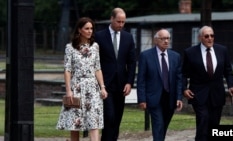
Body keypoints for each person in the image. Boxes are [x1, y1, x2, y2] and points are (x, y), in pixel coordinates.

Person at [56, 17, 108, 141]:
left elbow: (97, 68)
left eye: (91, 29)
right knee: (75, 123)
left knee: (94, 122)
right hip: (77, 87)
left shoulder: (95, 46)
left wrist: (102, 87)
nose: (90, 31)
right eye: (87, 28)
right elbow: (67, 70)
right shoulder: (70, 47)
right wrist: (68, 90)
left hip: (92, 88)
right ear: (79, 30)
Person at [182, 25, 233, 141]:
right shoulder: (190, 52)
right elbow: (183, 74)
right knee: (203, 118)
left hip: (217, 93)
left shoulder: (222, 50)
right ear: (200, 38)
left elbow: (228, 71)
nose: (210, 38)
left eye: (212, 36)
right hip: (198, 94)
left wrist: (231, 85)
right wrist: (184, 88)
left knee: (214, 123)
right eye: (206, 36)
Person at [95, 7, 137, 141]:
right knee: (109, 116)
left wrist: (130, 82)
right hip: (104, 84)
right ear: (111, 19)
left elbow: (131, 62)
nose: (121, 25)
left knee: (117, 117)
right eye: (118, 21)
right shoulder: (99, 36)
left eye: (123, 22)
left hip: (121, 84)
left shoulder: (128, 37)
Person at [137, 29, 183, 141]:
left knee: (164, 126)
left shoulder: (175, 56)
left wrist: (179, 97)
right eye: (163, 38)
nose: (166, 41)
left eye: (168, 38)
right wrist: (142, 99)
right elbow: (141, 79)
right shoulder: (146, 56)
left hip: (170, 98)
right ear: (156, 40)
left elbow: (179, 79)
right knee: (158, 125)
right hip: (154, 98)